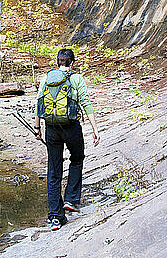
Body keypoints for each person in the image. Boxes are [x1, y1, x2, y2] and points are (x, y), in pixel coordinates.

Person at [35, 48, 100, 231]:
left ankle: (56, 217)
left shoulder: (46, 78)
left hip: (52, 128)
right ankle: (71, 199)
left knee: (54, 171)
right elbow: (85, 102)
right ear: (72, 63)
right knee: (77, 158)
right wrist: (95, 129)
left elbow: (39, 104)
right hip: (71, 127)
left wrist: (37, 128)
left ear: (57, 62)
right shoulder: (76, 78)